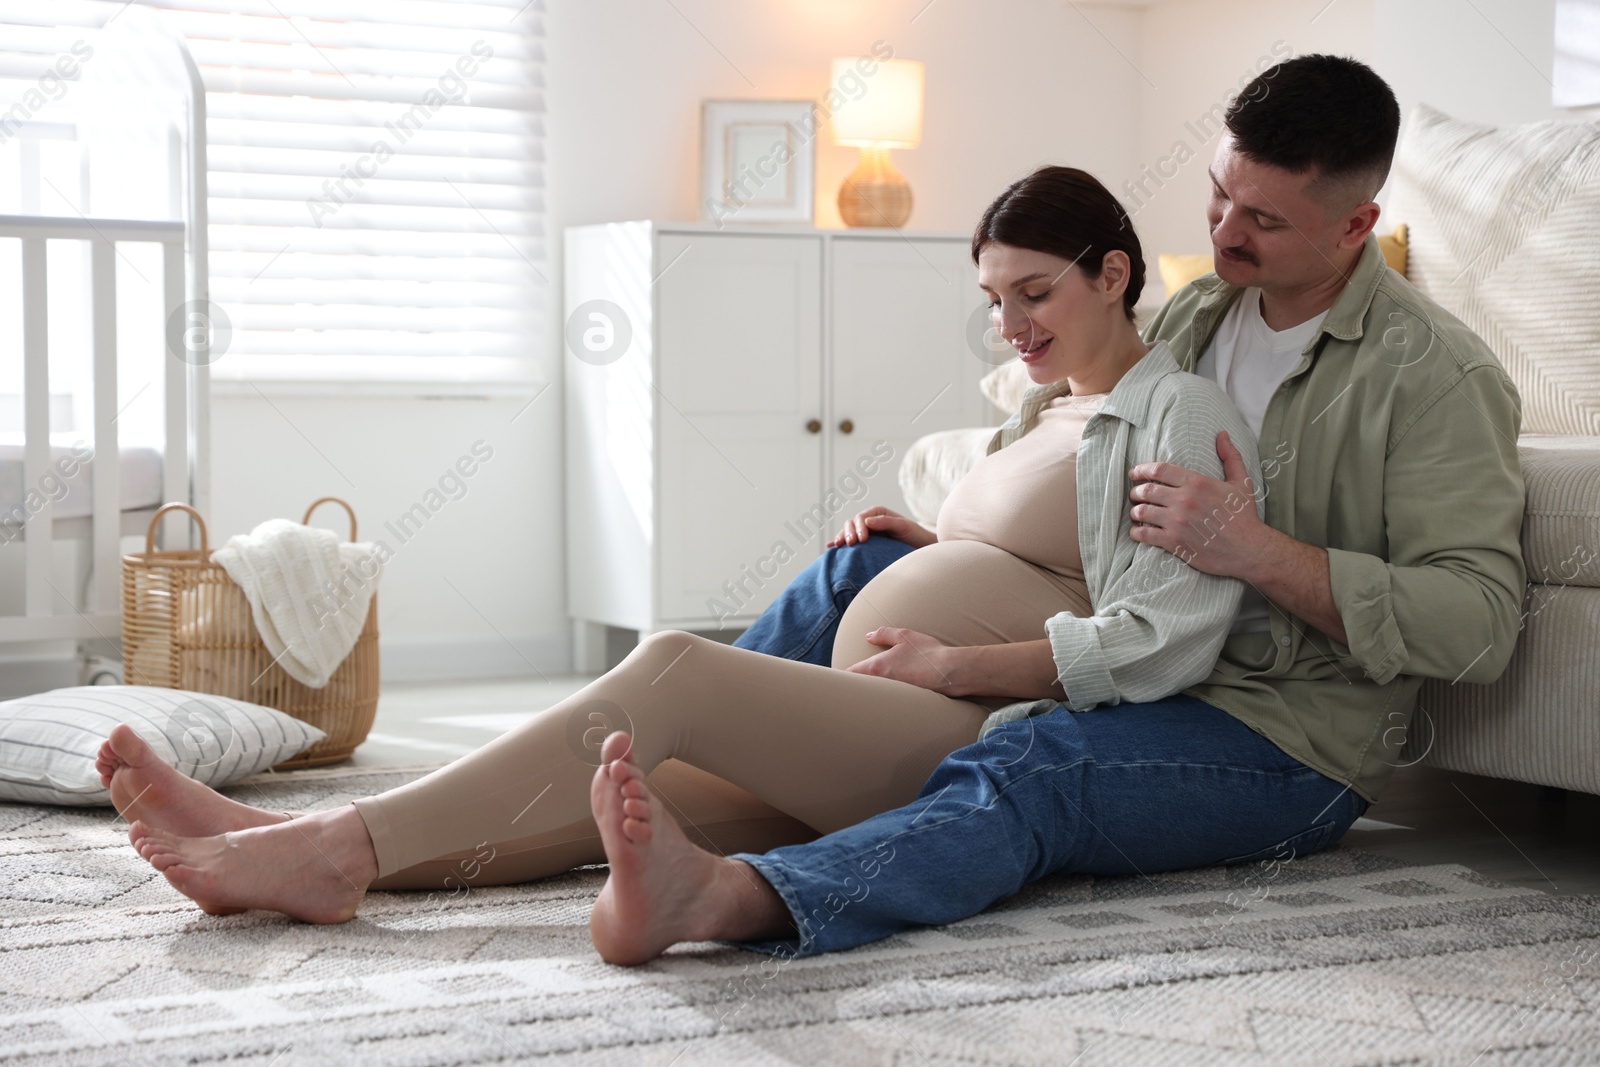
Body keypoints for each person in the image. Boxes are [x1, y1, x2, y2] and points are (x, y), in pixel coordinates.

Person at [99, 166, 1264, 952]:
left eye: (1035, 292)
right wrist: (942, 542)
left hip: (960, 730)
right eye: (992, 298)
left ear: (1114, 273)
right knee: (619, 793)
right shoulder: (1049, 402)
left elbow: (1162, 634)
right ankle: (291, 850)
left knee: (670, 671)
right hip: (881, 710)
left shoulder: (1177, 409)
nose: (1009, 323)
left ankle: (326, 845)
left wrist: (959, 665)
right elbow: (1044, 538)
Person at [576, 53, 1527, 962]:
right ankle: (643, 783)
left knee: (1036, 760)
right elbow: (1089, 446)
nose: (1227, 232)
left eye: (1265, 220)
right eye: (1218, 193)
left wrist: (1257, 551)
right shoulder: (1203, 312)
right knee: (852, 573)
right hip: (1146, 662)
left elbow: (1479, 628)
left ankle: (734, 896)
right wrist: (955, 536)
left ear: (1358, 224)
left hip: (1280, 739)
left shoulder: (1436, 378)